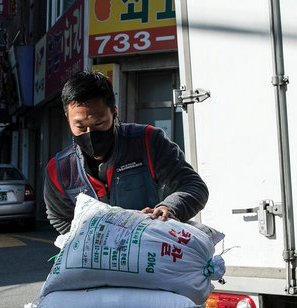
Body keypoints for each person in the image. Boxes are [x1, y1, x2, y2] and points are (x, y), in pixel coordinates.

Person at [44, 70, 208, 234]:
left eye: (99, 123)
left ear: (114, 113)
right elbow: (60, 216)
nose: (90, 133)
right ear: (67, 118)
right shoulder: (59, 169)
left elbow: (193, 186)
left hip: (152, 249)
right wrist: (85, 238)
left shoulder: (148, 142)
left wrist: (170, 207)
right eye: (80, 127)